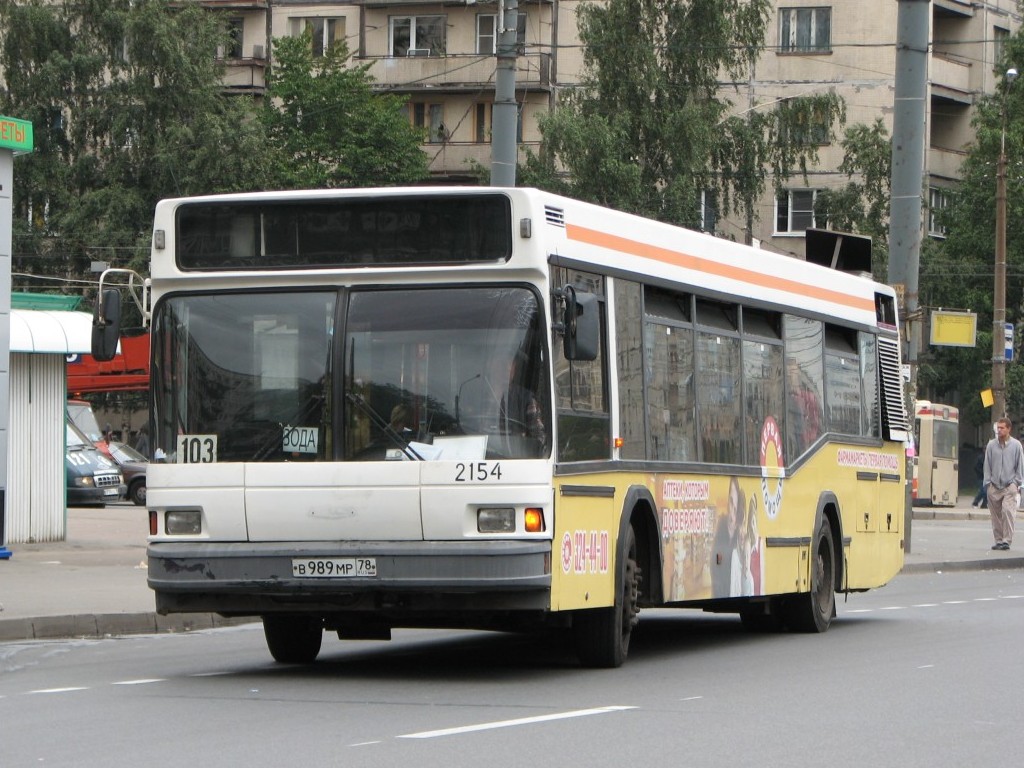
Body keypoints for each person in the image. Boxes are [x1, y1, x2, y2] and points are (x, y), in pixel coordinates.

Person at [982, 417, 1024, 551]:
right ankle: (999, 540)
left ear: (1009, 429)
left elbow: (1020, 465)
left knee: (1007, 511)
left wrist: (1016, 483)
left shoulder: (1016, 445)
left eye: (1002, 428)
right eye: (998, 428)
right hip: (993, 486)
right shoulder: (991, 445)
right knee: (996, 516)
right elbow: (987, 465)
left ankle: (1007, 540)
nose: (999, 430)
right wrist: (987, 483)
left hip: (1009, 485)